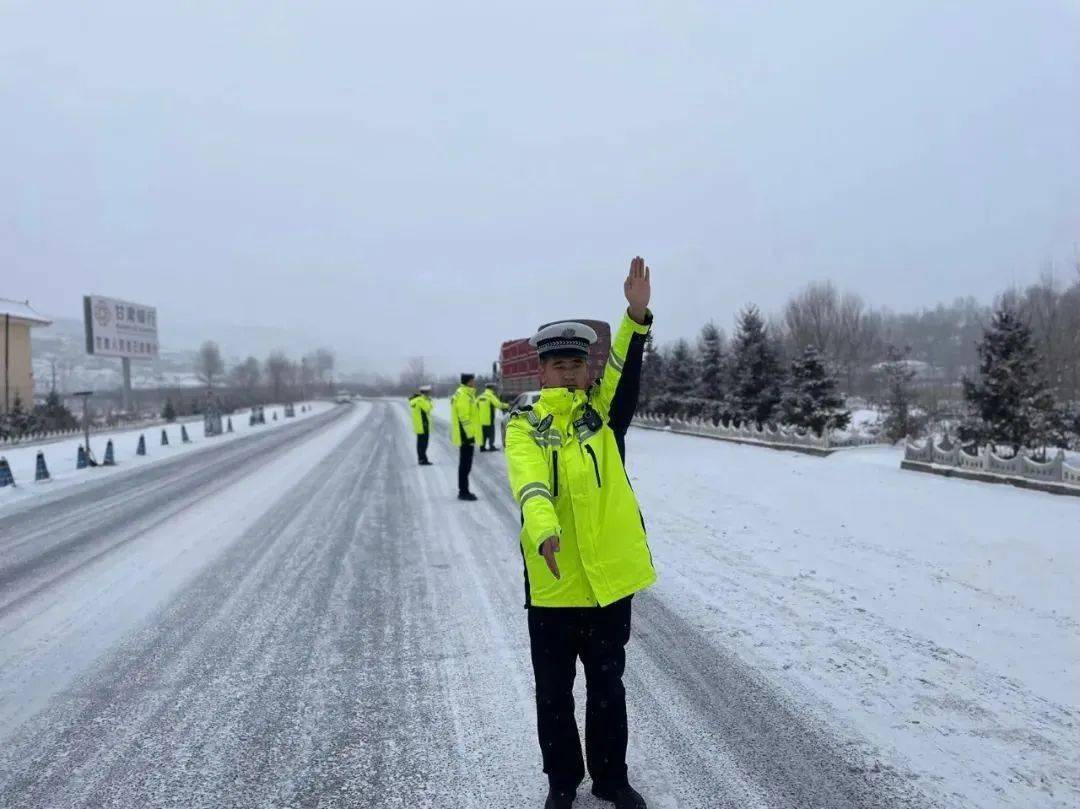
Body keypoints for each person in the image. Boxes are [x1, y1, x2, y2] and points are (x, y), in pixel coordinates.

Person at [504, 257, 654, 809]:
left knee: (608, 688)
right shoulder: (524, 426)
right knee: (554, 693)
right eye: (558, 365)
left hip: (609, 581)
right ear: (541, 373)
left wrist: (636, 315)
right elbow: (531, 485)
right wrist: (543, 533)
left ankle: (612, 780)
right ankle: (562, 782)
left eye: (577, 363)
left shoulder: (605, 418)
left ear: (588, 370)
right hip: (555, 578)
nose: (569, 372)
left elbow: (625, 369)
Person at [450, 373, 482, 500]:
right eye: (473, 380)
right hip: (466, 435)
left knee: (465, 464)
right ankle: (463, 492)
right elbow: (464, 417)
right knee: (465, 465)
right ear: (468, 382)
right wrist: (470, 435)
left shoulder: (465, 393)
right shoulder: (464, 395)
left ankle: (464, 490)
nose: (474, 382)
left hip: (465, 434)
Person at [408, 384, 434, 465]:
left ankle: (422, 459)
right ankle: (422, 460)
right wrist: (429, 401)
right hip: (423, 425)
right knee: (423, 444)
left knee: (420, 443)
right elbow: (428, 409)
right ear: (425, 392)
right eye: (429, 392)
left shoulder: (416, 399)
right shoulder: (420, 400)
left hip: (419, 425)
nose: (429, 393)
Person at [477, 383, 508, 452]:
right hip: (489, 419)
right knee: (491, 433)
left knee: (483, 434)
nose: (494, 389)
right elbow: (499, 405)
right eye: (493, 388)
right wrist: (508, 405)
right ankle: (491, 446)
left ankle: (482, 447)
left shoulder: (480, 396)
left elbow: (475, 406)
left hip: (481, 419)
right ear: (491, 388)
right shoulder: (490, 396)